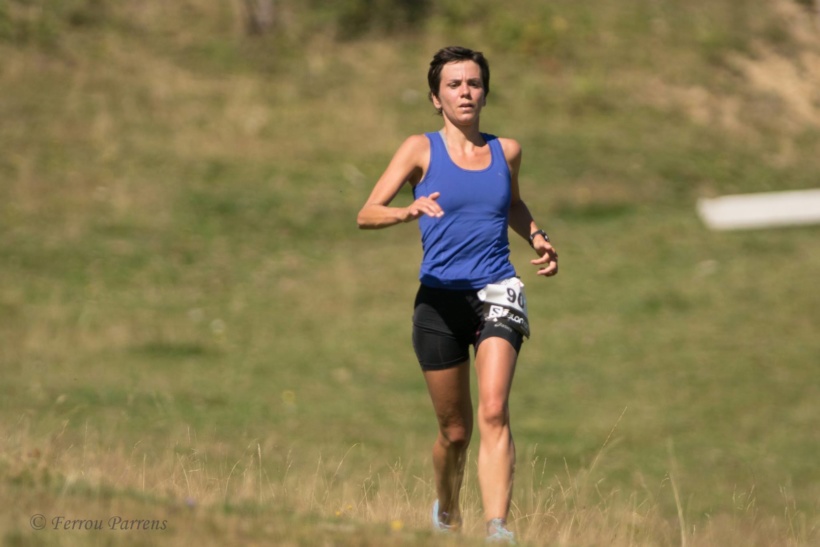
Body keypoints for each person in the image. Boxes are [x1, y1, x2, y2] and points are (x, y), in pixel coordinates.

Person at [356, 46, 558, 544]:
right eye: (454, 85)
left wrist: (536, 236)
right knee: (455, 432)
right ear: (436, 98)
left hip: (497, 290)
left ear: (485, 93)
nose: (465, 92)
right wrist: (404, 212)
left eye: (473, 83)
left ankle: (497, 528)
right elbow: (367, 212)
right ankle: (447, 510)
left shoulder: (507, 151)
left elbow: (512, 204)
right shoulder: (419, 150)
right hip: (438, 302)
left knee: (494, 410)